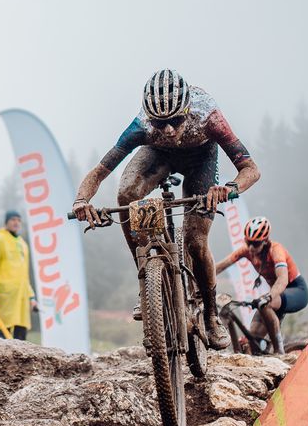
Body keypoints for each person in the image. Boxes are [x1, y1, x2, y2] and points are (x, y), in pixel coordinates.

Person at [72, 70, 261, 349]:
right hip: (159, 155)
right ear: (151, 119)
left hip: (201, 160)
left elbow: (251, 169)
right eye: (162, 124)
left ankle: (210, 314)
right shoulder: (142, 126)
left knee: (196, 240)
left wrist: (229, 188)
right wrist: (81, 201)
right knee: (127, 194)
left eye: (176, 120)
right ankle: (147, 278)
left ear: (187, 111)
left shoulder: (209, 117)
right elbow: (99, 172)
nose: (170, 130)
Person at [213, 216, 308, 354]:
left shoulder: (276, 250)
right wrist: (197, 275)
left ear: (265, 241)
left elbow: (282, 279)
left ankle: (279, 352)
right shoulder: (246, 251)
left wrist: (269, 297)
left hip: (296, 290)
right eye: (248, 242)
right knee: (251, 341)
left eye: (256, 243)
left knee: (264, 304)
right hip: (275, 296)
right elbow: (220, 266)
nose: (251, 247)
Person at [0, 210, 37, 340]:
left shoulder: (23, 244)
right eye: (13, 220)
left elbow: (25, 274)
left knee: (21, 335)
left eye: (19, 220)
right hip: (5, 297)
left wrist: (31, 297)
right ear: (6, 222)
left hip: (22, 296)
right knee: (3, 333)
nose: (16, 223)